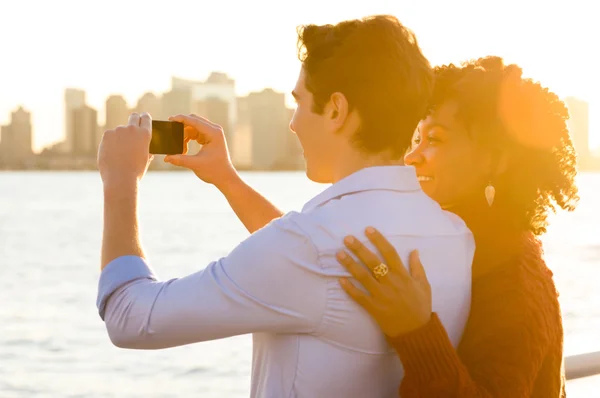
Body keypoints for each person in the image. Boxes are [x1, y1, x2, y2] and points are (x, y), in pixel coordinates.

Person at [96, 15, 474, 397]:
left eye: (300, 102)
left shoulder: (308, 246)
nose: (293, 123)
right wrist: (227, 179)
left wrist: (121, 180)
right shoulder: (457, 237)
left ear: (336, 110)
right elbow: (307, 261)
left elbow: (129, 317)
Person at [334, 56, 577, 397]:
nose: (412, 156)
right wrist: (230, 181)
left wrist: (416, 331)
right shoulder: (448, 236)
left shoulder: (515, 277)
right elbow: (322, 252)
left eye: (434, 139)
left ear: (496, 159)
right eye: (416, 138)